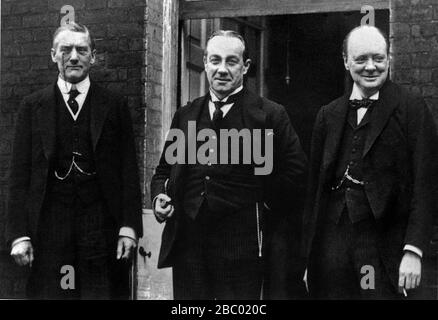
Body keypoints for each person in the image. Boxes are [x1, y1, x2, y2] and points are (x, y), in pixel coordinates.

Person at [151, 30, 307, 299]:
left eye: (231, 61)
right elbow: (164, 170)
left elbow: (297, 173)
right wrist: (159, 197)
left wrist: (263, 203)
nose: (222, 69)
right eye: (215, 60)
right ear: (205, 62)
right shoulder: (186, 115)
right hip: (189, 246)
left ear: (245, 66)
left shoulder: (270, 115)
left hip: (241, 250)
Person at [6, 22, 143, 299]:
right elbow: (18, 176)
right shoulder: (33, 106)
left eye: (81, 50)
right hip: (48, 230)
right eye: (66, 50)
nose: (73, 57)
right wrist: (18, 235)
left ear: (93, 56)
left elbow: (128, 169)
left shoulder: (114, 105)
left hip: (101, 230)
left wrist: (129, 227)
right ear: (53, 55)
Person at [303, 25, 438, 299]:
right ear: (345, 61)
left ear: (389, 59)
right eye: (361, 59)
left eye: (378, 58)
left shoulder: (412, 109)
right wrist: (309, 256)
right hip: (332, 246)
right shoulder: (328, 115)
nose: (371, 67)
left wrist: (413, 250)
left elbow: (427, 184)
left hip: (384, 245)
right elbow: (313, 191)